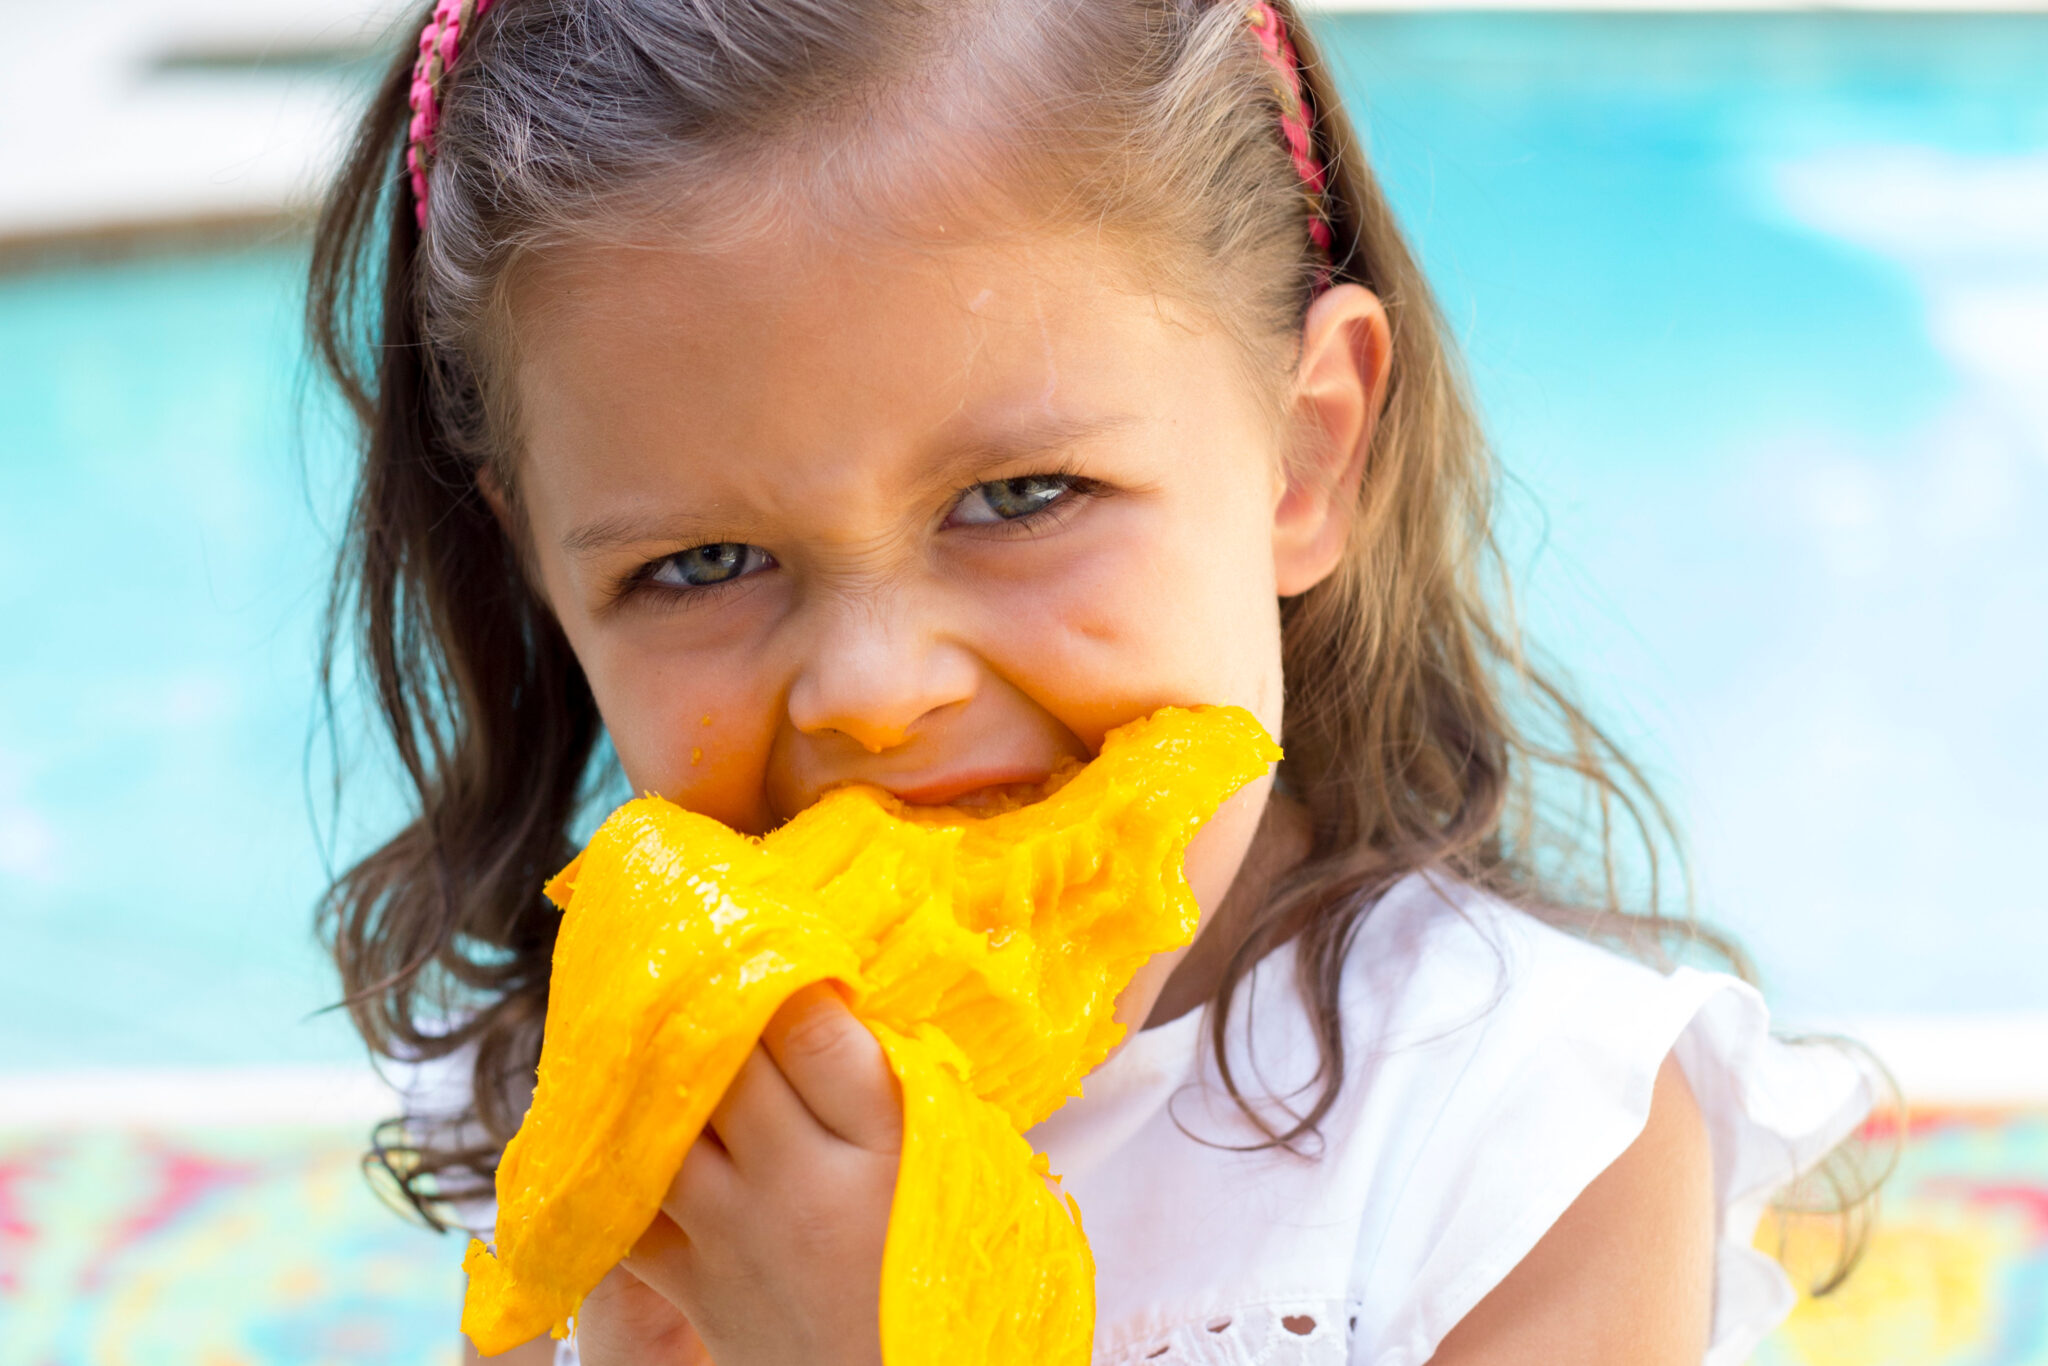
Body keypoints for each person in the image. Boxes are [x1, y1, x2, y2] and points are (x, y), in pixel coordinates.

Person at [308, 1, 1880, 1363]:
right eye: (703, 565)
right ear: (547, 577)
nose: (875, 689)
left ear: (1305, 452)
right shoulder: (623, 1091)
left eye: (1017, 498)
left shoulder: (1532, 1140)